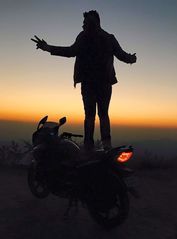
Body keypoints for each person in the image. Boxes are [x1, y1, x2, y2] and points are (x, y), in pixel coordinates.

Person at [31, 10, 137, 152]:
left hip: (96, 84)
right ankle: (101, 146)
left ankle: (92, 146)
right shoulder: (102, 38)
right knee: (99, 115)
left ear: (96, 23)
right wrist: (131, 59)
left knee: (93, 116)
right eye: (84, 23)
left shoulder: (96, 38)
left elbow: (70, 52)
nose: (84, 25)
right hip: (98, 83)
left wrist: (48, 48)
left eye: (87, 23)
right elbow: (122, 55)